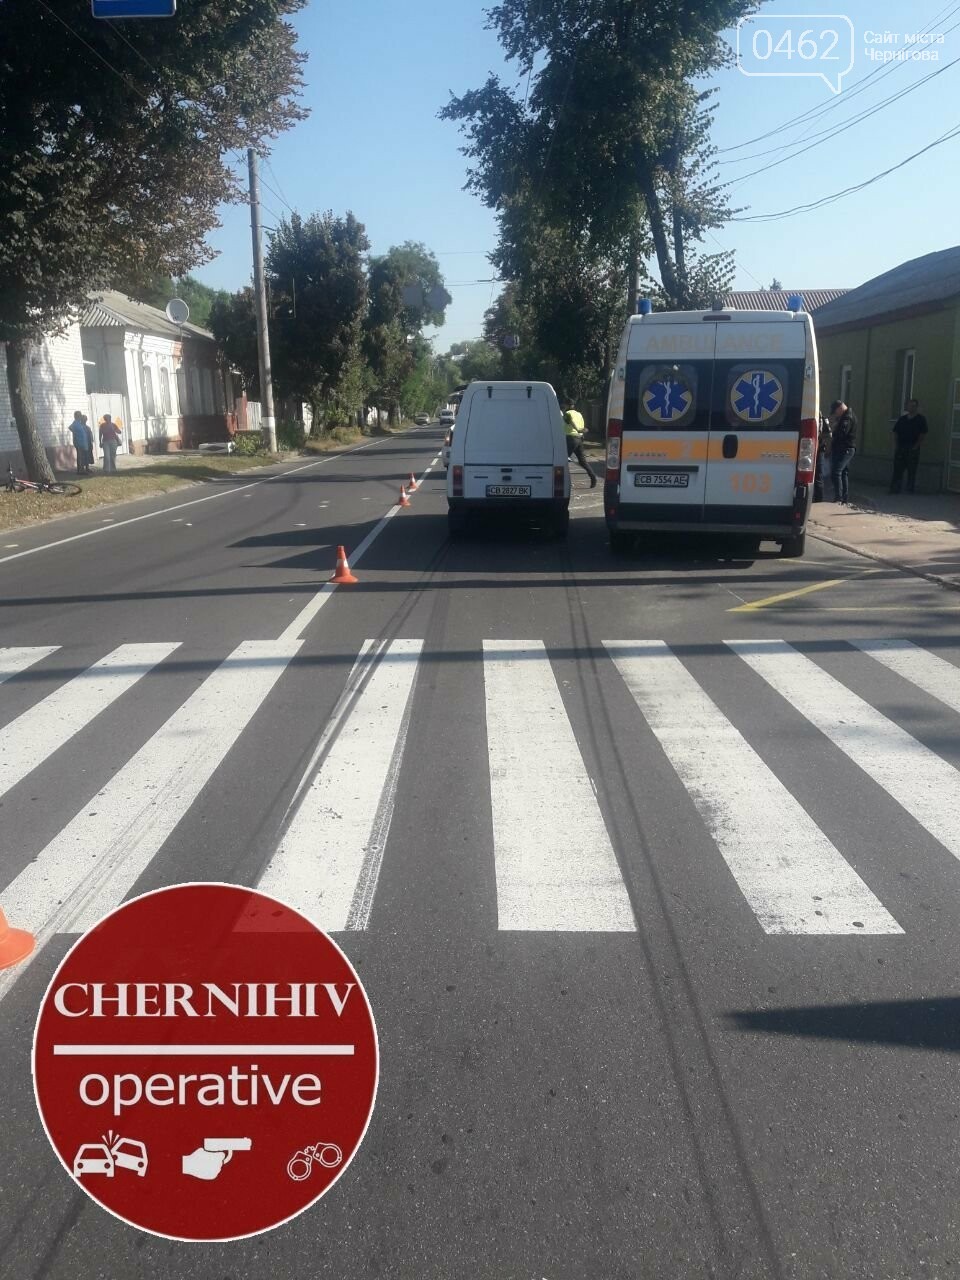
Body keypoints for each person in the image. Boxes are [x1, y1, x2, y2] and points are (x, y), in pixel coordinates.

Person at [890, 397, 927, 494]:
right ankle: (895, 488)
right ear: (907, 407)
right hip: (901, 447)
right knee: (898, 469)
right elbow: (895, 432)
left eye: (914, 406)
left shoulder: (921, 419)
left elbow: (923, 434)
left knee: (912, 470)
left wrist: (916, 446)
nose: (911, 408)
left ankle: (910, 489)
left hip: (912, 448)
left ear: (917, 407)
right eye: (910, 405)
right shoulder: (902, 419)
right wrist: (896, 445)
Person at [828, 399, 857, 505]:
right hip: (846, 448)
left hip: (845, 449)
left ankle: (839, 498)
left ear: (839, 408)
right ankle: (844, 499)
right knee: (843, 473)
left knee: (836, 472)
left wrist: (835, 428)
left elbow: (842, 433)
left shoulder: (847, 417)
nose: (836, 414)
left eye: (835, 411)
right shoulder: (847, 415)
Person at [562, 403, 597, 488]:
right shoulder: (579, 414)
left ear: (568, 405)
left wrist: (577, 429)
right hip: (579, 438)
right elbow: (582, 426)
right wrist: (581, 431)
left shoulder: (567, 413)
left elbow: (570, 421)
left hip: (570, 438)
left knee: (562, 461)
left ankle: (565, 482)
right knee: (582, 461)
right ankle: (593, 477)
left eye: (565, 405)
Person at [813, 415, 831, 502]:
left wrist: (819, 437)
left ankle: (818, 498)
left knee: (818, 474)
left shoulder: (822, 419)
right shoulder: (821, 419)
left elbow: (829, 434)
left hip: (819, 449)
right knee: (818, 475)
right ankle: (817, 498)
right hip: (816, 448)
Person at [67, 411, 89, 475]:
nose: (80, 416)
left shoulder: (79, 422)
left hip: (82, 442)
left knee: (81, 456)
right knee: (80, 456)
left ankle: (81, 469)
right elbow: (70, 427)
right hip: (78, 442)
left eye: (80, 415)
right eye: (79, 415)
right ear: (76, 416)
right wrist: (75, 433)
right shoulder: (75, 423)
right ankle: (80, 471)